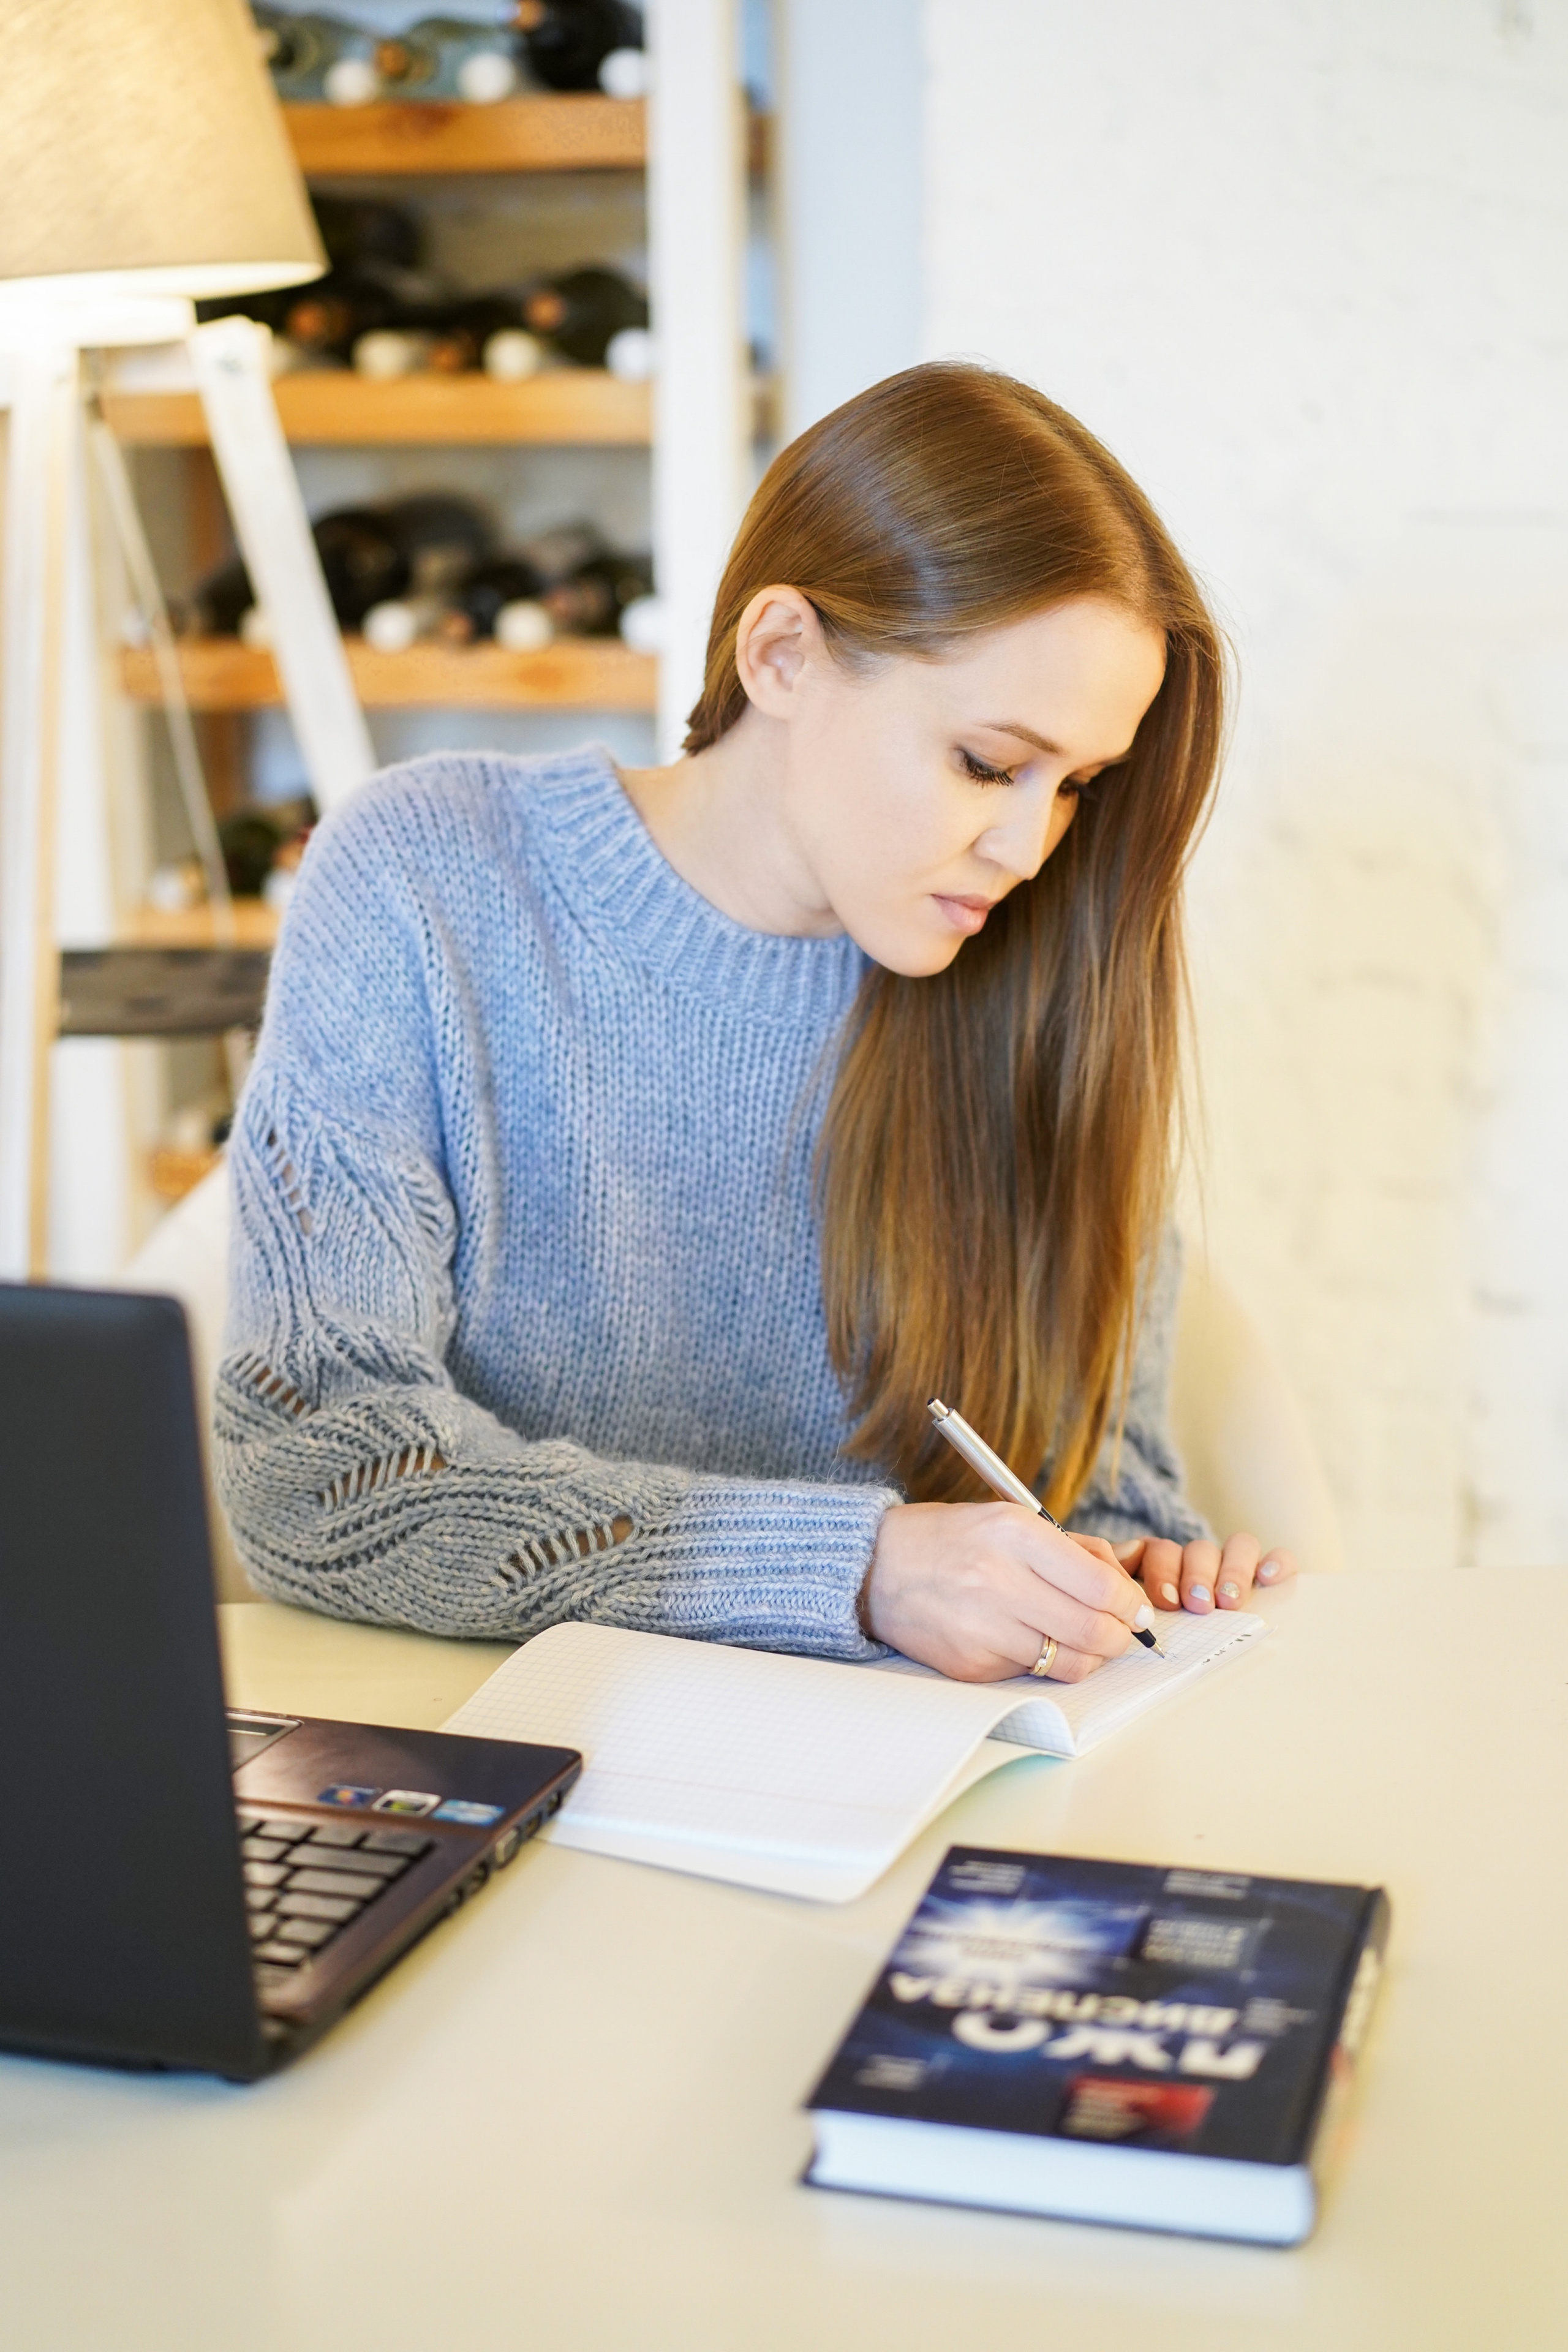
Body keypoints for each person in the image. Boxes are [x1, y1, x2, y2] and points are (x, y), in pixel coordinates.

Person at [215, 363, 1297, 1686]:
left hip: (909, 1777)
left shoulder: (1042, 983)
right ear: (781, 653)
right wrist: (853, 1570)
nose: (1027, 849)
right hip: (496, 1744)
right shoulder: (427, 878)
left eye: (1075, 786)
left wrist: (1122, 1570)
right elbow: (316, 1472)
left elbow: (1092, 1483)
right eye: (987, 763)